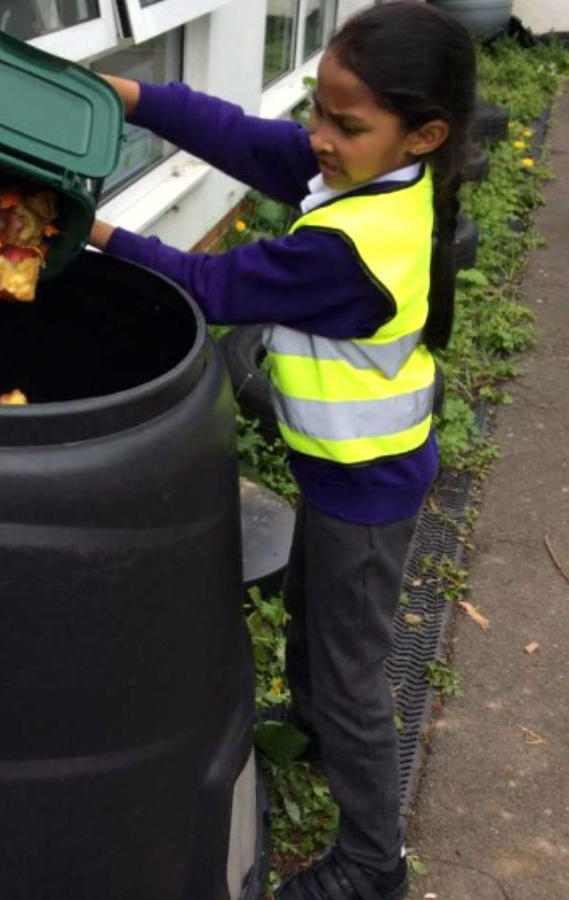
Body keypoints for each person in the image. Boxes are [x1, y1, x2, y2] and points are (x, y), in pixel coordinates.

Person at [88, 3, 476, 898]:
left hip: (367, 486)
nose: (318, 137)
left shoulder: (350, 249)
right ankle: (307, 728)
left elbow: (207, 283)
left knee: (353, 675)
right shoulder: (378, 174)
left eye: (345, 124)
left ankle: (373, 864)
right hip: (342, 471)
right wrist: (131, 95)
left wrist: (91, 232)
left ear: (423, 134)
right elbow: (244, 138)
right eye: (319, 111)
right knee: (311, 611)